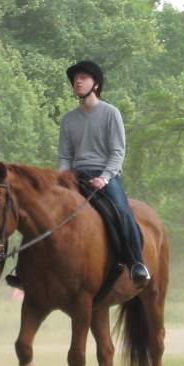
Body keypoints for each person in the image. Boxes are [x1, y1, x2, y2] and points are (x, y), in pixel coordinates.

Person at [57, 60, 150, 287]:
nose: (77, 81)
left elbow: (118, 151)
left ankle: (137, 263)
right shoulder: (68, 119)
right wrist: (59, 179)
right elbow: (65, 156)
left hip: (103, 174)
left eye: (83, 78)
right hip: (75, 175)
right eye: (75, 79)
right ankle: (25, 270)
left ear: (95, 84)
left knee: (121, 211)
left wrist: (105, 177)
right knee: (44, 207)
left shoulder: (110, 113)